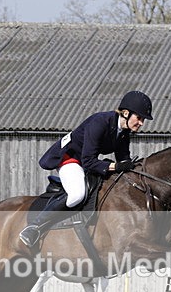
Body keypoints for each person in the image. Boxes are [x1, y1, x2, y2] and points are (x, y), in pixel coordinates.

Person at [19, 90, 154, 248]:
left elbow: (124, 159)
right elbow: (89, 161)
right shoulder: (100, 122)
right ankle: (34, 227)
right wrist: (116, 166)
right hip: (70, 158)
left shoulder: (123, 132)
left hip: (85, 161)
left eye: (143, 119)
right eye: (139, 118)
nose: (141, 123)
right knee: (77, 194)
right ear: (125, 113)